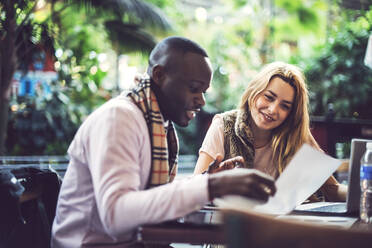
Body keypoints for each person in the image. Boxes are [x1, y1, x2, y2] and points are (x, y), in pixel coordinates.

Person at [51, 36, 277, 248]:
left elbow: (151, 199)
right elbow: (116, 215)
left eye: (204, 91)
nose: (201, 100)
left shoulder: (157, 123)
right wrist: (213, 187)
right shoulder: (119, 118)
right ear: (159, 76)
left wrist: (206, 182)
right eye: (194, 88)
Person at [194, 61, 347, 202]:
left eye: (285, 106)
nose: (273, 110)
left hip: (281, 228)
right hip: (232, 225)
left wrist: (363, 194)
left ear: (291, 113)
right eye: (269, 97)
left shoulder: (296, 135)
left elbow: (333, 189)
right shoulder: (223, 125)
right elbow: (194, 191)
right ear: (254, 91)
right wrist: (213, 183)